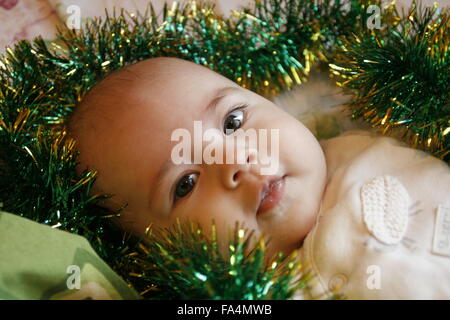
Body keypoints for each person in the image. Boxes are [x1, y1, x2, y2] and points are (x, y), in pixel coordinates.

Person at [67, 57, 450, 299]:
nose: (235, 161)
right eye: (186, 183)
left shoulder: (377, 135)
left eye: (233, 121)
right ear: (160, 255)